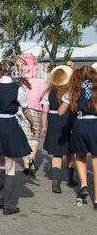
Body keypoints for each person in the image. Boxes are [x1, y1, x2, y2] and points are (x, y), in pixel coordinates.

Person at [0, 60, 36, 215]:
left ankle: (1, 198)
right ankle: (8, 205)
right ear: (11, 71)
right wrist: (32, 123)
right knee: (10, 165)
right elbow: (26, 110)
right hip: (9, 125)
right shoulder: (17, 89)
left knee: (1, 162)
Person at [58, 65, 97, 209]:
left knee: (80, 156)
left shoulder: (73, 90)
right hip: (95, 124)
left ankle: (84, 184)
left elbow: (61, 112)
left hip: (80, 124)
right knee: (95, 160)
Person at [41, 65, 76, 193]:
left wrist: (44, 126)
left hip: (54, 121)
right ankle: (70, 179)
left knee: (57, 152)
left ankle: (56, 181)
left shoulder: (48, 92)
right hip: (68, 120)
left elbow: (44, 111)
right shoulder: (70, 91)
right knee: (71, 151)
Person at [17, 54, 47, 176]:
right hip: (36, 112)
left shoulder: (19, 81)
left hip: (21, 111)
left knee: (23, 139)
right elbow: (44, 100)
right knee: (33, 140)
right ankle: (31, 163)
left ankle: (26, 165)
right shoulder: (42, 81)